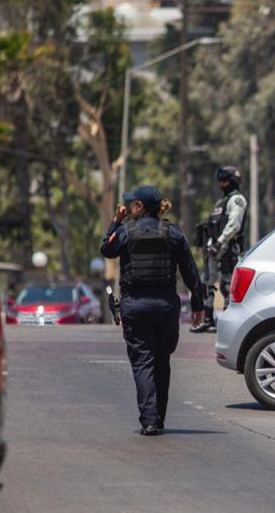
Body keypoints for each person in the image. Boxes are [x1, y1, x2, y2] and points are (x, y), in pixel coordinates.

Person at [100, 185, 205, 436]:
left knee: (143, 364)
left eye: (131, 203)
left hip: (135, 306)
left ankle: (149, 420)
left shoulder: (125, 232)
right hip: (166, 307)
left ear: (139, 207)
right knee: (162, 363)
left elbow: (107, 249)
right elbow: (191, 272)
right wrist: (199, 306)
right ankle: (158, 418)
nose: (126, 207)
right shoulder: (174, 233)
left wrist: (115, 222)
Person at [191, 166, 247, 333]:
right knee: (206, 282)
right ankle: (208, 320)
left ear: (232, 180)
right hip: (213, 249)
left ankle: (226, 323)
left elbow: (234, 225)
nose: (221, 183)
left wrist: (220, 242)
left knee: (227, 285)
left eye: (224, 179)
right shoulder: (220, 203)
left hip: (228, 248)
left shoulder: (237, 200)